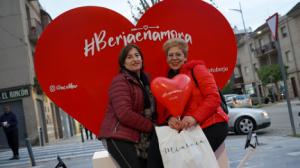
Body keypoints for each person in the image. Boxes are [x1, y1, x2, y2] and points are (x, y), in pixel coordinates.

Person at [160, 38, 229, 152]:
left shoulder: (197, 69)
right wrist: (169, 118)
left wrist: (194, 117)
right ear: (167, 59)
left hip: (212, 124)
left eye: (178, 54)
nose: (174, 58)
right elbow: (169, 107)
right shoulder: (169, 79)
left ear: (185, 57)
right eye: (170, 55)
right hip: (191, 129)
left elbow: (213, 97)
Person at [98, 44, 158, 168]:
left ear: (142, 59)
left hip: (140, 138)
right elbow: (124, 113)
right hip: (119, 137)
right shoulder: (120, 81)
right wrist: (151, 127)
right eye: (129, 57)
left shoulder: (146, 80)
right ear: (123, 63)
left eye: (137, 55)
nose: (135, 59)